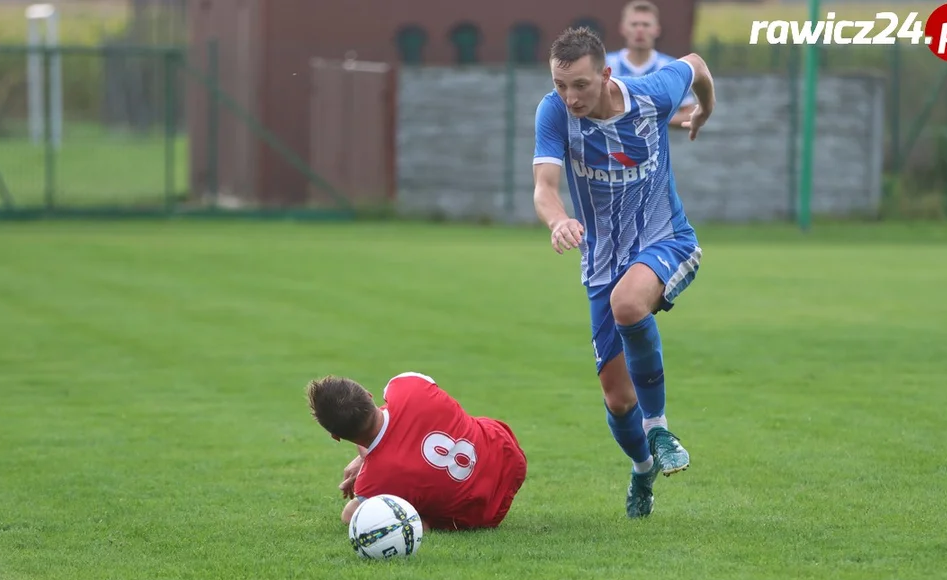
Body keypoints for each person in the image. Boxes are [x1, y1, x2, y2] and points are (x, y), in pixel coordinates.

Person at [531, 26, 714, 518]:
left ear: (606, 75)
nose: (570, 97)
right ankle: (642, 468)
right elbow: (545, 187)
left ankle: (659, 428)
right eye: (560, 84)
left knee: (629, 303)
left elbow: (695, 63)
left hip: (668, 242)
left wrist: (706, 109)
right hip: (601, 264)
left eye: (581, 86)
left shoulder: (651, 95)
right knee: (616, 399)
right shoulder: (553, 112)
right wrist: (558, 220)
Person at [305, 371, 528, 531]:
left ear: (336, 436)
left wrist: (367, 458)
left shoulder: (371, 484)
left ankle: (422, 521)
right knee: (453, 418)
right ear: (369, 394)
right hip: (508, 455)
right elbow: (400, 422)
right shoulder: (409, 386)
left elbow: (350, 514)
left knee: (355, 513)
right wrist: (365, 456)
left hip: (486, 513)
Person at [604, 0, 697, 129]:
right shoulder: (604, 64)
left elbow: (689, 114)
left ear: (657, 30)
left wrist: (650, 120)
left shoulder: (671, 67)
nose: (640, 30)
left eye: (646, 25)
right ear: (623, 29)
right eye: (634, 24)